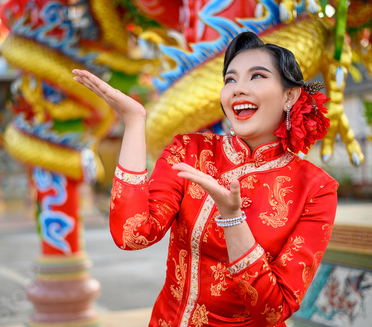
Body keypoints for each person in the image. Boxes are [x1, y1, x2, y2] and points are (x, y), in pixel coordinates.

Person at [73, 31, 338, 327]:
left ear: (290, 96)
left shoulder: (316, 188)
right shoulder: (189, 150)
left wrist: (233, 219)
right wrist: (134, 122)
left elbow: (274, 310)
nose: (238, 89)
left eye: (257, 76)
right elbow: (132, 235)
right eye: (230, 79)